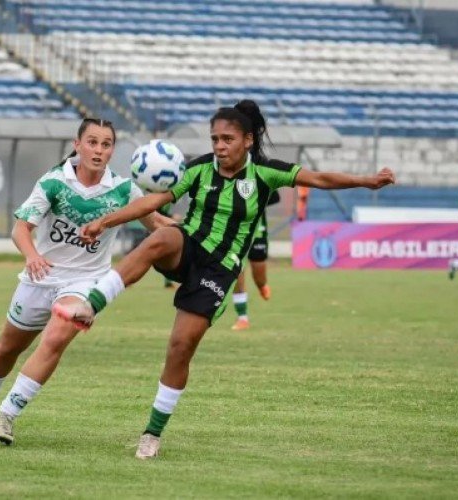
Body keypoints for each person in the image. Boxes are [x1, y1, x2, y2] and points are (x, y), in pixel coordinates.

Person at [52, 100, 396, 459]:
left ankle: (152, 433)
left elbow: (320, 178)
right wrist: (105, 221)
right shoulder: (200, 169)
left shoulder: (265, 173)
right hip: (188, 248)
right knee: (162, 237)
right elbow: (156, 201)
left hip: (218, 271)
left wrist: (366, 182)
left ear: (247, 140)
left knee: (180, 348)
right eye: (214, 138)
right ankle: (91, 305)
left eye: (227, 138)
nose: (219, 146)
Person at [0, 118, 172, 445]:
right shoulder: (53, 183)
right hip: (41, 277)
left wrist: (195, 231)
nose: (98, 150)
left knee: (56, 338)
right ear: (77, 144)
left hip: (86, 282)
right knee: (7, 347)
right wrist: (32, 256)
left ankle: (8, 413)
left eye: (106, 144)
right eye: (92, 142)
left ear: (113, 150)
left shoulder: (124, 189)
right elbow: (20, 228)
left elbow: (157, 223)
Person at [230, 190, 279, 331]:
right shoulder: (227, 176)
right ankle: (242, 317)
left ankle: (262, 286)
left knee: (259, 276)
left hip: (257, 231)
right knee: (237, 269)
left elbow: (275, 197)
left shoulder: (259, 173)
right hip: (235, 232)